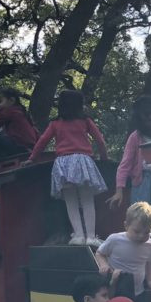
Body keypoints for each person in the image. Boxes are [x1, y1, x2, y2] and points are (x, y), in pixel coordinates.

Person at [24, 89, 109, 246]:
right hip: (83, 161)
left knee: (70, 201)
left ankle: (78, 235)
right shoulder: (85, 121)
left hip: (63, 164)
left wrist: (31, 159)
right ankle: (90, 236)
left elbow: (42, 142)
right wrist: (104, 158)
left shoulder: (55, 123)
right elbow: (100, 140)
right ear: (79, 105)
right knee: (87, 200)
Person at [110, 96, 151, 209]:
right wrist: (119, 191)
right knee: (140, 217)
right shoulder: (135, 137)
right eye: (146, 119)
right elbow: (124, 166)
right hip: (142, 183)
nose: (150, 121)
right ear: (140, 121)